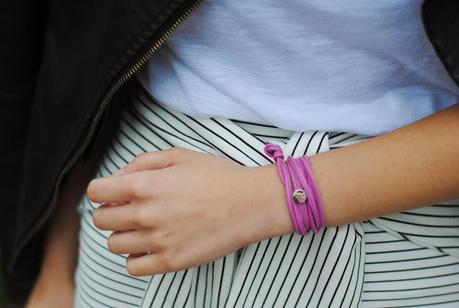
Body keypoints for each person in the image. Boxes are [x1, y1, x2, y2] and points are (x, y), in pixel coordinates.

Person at [8, 0, 459, 307]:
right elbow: (83, 35)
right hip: (142, 217)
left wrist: (263, 200)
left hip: (395, 217)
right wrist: (55, 266)